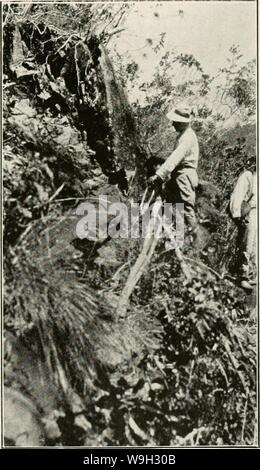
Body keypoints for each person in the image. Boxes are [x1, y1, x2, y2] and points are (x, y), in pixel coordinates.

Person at [148, 105, 199, 237]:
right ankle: (176, 240)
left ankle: (195, 243)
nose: (173, 124)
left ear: (183, 122)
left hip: (185, 175)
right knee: (173, 207)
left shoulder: (188, 137)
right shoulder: (183, 136)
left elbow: (175, 158)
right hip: (179, 174)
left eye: (175, 121)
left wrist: (159, 175)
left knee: (187, 210)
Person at [228, 158, 256, 290]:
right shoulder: (249, 176)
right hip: (250, 213)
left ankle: (252, 276)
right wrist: (237, 214)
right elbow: (238, 194)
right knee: (247, 245)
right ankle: (242, 275)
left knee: (256, 247)